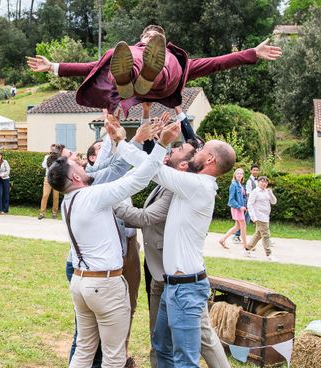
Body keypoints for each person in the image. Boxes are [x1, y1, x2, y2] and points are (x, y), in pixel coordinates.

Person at [47, 121, 180, 368]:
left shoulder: (68, 201)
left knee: (85, 349)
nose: (85, 165)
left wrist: (126, 142)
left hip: (80, 282)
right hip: (104, 284)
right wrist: (161, 145)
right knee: (114, 355)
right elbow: (137, 179)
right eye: (79, 165)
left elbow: (119, 170)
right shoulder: (94, 195)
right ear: (75, 176)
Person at [116, 131, 236, 367]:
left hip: (186, 289)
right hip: (173, 284)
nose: (196, 151)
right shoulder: (191, 184)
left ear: (209, 159)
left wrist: (121, 142)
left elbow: (152, 168)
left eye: (201, 150)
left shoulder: (199, 184)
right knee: (162, 345)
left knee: (185, 360)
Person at [27, 25, 282, 116]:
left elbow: (217, 62)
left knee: (164, 63)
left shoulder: (180, 62)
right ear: (142, 37)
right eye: (148, 36)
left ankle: (147, 73)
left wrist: (251, 53)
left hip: (163, 82)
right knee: (116, 58)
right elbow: (89, 68)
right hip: (133, 83)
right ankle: (128, 76)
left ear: (162, 41)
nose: (151, 37)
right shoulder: (134, 48)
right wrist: (53, 67)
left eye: (156, 37)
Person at [246, 176, 278, 261]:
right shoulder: (255, 192)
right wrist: (253, 216)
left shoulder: (266, 192)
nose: (264, 184)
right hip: (259, 216)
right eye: (262, 182)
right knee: (266, 235)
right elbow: (250, 204)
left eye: (265, 182)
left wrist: (271, 193)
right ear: (258, 182)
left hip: (266, 216)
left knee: (258, 234)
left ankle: (247, 249)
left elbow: (274, 202)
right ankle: (269, 254)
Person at [218, 168, 249, 254]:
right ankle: (245, 246)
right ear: (235, 175)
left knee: (237, 227)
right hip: (237, 208)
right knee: (243, 226)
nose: (239, 175)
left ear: (243, 175)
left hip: (240, 208)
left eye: (241, 173)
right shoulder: (234, 185)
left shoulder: (240, 185)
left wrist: (245, 206)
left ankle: (222, 239)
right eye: (237, 173)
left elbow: (243, 198)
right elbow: (231, 200)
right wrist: (239, 207)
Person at [234, 163, 259, 243]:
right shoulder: (249, 181)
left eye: (257, 170)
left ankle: (264, 237)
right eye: (254, 170)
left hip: (257, 204)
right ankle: (236, 236)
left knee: (260, 220)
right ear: (251, 171)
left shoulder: (258, 180)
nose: (255, 171)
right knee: (245, 220)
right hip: (250, 204)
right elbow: (248, 193)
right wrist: (249, 205)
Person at [39, 144, 61, 220]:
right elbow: (43, 166)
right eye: (52, 148)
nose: (53, 150)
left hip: (56, 179)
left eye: (54, 149)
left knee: (56, 197)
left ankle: (54, 213)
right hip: (48, 178)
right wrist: (48, 158)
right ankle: (42, 213)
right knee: (45, 195)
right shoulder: (46, 157)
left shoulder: (59, 158)